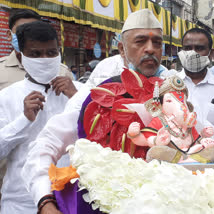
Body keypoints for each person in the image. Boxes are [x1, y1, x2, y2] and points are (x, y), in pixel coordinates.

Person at [22, 9, 173, 214]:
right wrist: (45, 201)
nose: (150, 49)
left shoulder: (173, 93)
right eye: (140, 41)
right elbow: (46, 144)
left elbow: (207, 143)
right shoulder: (100, 93)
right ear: (122, 48)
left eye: (157, 43)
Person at [0, 21, 81, 214]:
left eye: (51, 53)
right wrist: (24, 120)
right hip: (21, 203)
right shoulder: (7, 97)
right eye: (36, 54)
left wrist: (77, 99)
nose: (45, 59)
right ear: (21, 57)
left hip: (70, 201)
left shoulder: (79, 92)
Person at [176, 28, 214, 161]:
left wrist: (205, 137)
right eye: (187, 48)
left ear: (211, 53)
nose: (192, 53)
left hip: (213, 160)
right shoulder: (169, 84)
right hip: (174, 159)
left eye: (199, 48)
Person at [0, 9, 74, 91]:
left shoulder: (62, 71)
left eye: (33, 31)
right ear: (9, 35)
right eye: (21, 31)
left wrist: (74, 96)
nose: (27, 36)